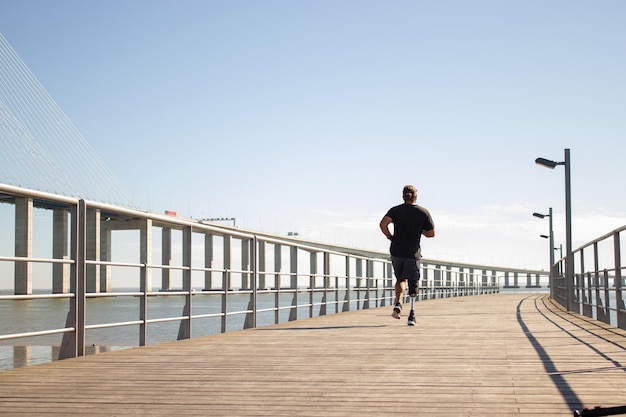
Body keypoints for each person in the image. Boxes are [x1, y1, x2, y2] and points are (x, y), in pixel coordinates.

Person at [379, 185, 435, 326]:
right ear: (416, 196)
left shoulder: (395, 210)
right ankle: (412, 315)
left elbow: (383, 224)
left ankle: (398, 304)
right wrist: (419, 229)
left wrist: (390, 237)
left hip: (397, 250)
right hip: (412, 252)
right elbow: (431, 234)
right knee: (413, 282)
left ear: (403, 196)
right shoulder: (423, 212)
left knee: (400, 279)